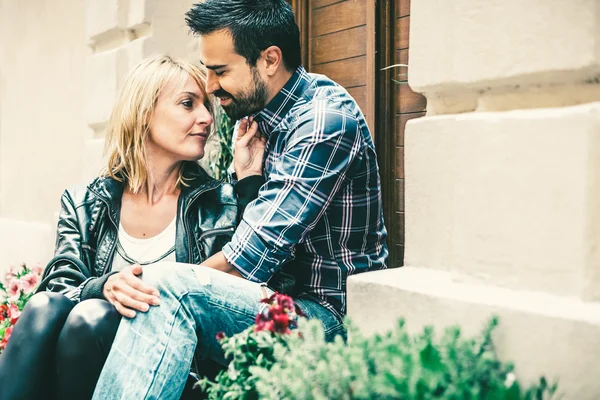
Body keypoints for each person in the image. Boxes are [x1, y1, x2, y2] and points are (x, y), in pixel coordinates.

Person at [92, 0, 389, 398]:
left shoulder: (321, 123)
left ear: (269, 60)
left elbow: (245, 262)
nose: (211, 90)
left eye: (219, 72)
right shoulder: (261, 120)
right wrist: (245, 178)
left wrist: (139, 288)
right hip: (278, 304)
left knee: (166, 291)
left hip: (327, 322)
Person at [0, 54, 264, 400]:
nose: (206, 118)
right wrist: (105, 286)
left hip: (174, 370)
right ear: (143, 114)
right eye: (188, 104)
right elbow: (59, 287)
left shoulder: (221, 203)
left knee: (91, 318)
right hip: (79, 365)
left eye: (207, 106)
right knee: (47, 307)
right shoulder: (85, 202)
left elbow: (251, 286)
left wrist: (249, 186)